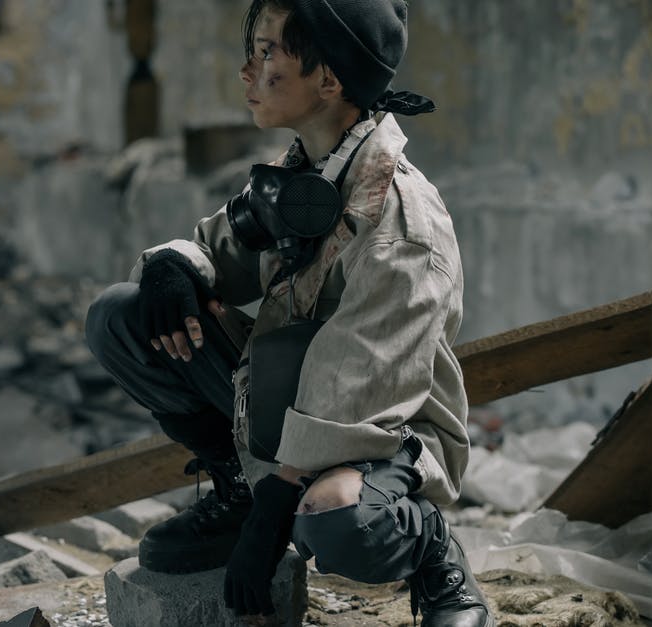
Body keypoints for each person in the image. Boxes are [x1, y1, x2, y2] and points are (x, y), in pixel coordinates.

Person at [85, 1, 491, 625]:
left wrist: (280, 503)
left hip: (381, 427)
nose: (248, 70)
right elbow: (215, 249)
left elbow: (357, 377)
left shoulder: (401, 220)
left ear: (328, 80)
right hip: (284, 399)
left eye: (269, 51)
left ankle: (437, 558)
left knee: (331, 518)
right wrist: (173, 265)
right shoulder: (300, 177)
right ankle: (237, 487)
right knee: (126, 314)